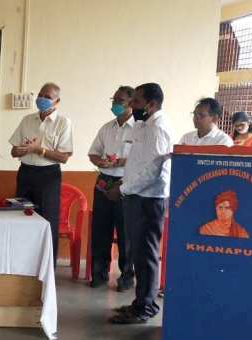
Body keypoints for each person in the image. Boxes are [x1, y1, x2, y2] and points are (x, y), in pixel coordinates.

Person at [106, 83, 173, 324]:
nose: (131, 106)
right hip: (135, 196)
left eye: (135, 102)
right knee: (139, 254)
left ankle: (146, 308)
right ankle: (140, 303)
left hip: (148, 199)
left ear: (151, 104)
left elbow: (153, 171)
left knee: (146, 255)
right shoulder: (144, 125)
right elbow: (138, 163)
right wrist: (124, 184)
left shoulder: (158, 129)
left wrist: (123, 189)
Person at [9, 82, 73, 265]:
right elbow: (14, 151)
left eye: (48, 97)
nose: (42, 99)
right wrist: (21, 151)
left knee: (47, 221)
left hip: (48, 175)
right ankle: (22, 263)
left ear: (57, 101)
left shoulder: (63, 123)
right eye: (40, 95)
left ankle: (47, 267)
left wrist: (39, 150)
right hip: (26, 172)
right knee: (21, 216)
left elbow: (64, 157)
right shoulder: (27, 120)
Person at [87, 86, 136, 291]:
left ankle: (126, 276)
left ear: (132, 104)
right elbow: (93, 153)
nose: (115, 104)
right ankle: (99, 274)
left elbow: (143, 158)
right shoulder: (106, 128)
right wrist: (102, 161)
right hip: (104, 181)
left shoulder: (139, 129)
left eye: (120, 101)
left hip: (127, 183)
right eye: (113, 100)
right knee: (101, 230)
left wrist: (121, 162)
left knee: (126, 233)